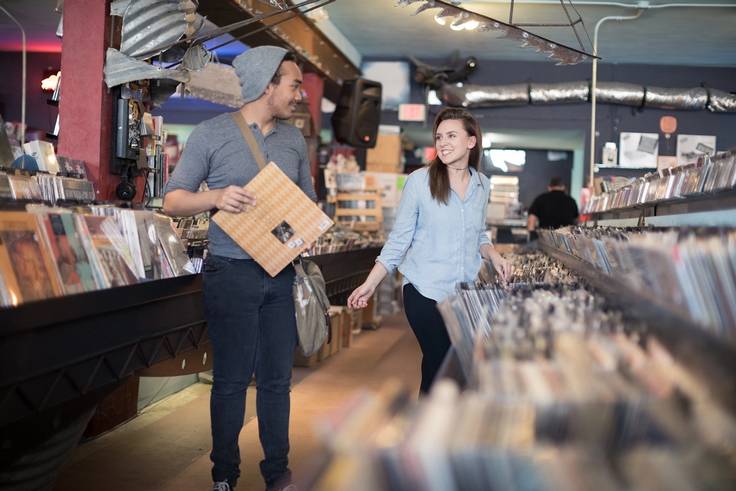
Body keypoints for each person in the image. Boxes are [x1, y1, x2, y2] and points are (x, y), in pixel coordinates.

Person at [163, 46, 314, 491]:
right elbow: (173, 199)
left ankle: (276, 473)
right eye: (294, 84)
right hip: (230, 272)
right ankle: (224, 474)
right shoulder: (211, 135)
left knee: (276, 381)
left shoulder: (293, 140)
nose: (300, 94)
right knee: (229, 381)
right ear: (268, 84)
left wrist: (309, 227)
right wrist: (215, 197)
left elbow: (306, 204)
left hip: (281, 273)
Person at [347, 107, 512, 395]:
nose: (443, 143)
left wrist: (494, 255)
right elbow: (399, 240)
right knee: (441, 362)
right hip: (424, 291)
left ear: (471, 142)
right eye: (439, 137)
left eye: (451, 135)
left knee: (453, 369)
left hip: (463, 294)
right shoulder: (419, 181)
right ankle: (431, 432)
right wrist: (370, 284)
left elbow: (479, 234)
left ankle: (436, 428)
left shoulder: (482, 185)